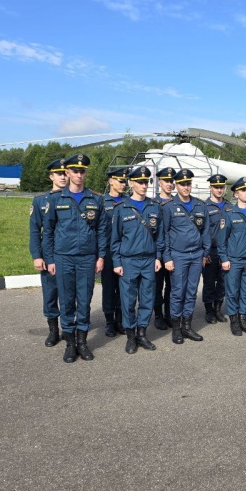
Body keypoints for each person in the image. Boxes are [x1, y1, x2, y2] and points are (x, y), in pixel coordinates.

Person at [43, 153, 107, 363]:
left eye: (82, 171)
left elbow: (101, 231)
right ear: (68, 173)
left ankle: (82, 342)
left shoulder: (95, 200)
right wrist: (50, 259)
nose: (79, 175)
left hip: (87, 258)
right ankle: (70, 344)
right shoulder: (55, 199)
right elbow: (49, 232)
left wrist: (101, 257)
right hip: (64, 258)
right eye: (75, 171)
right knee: (67, 301)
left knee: (84, 302)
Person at [111, 166, 162, 354]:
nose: (143, 185)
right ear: (131, 183)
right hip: (128, 261)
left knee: (147, 299)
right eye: (139, 182)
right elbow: (115, 239)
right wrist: (116, 262)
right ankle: (131, 336)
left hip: (149, 260)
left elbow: (160, 237)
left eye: (146, 182)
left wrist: (158, 257)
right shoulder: (121, 208)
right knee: (128, 300)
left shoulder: (154, 206)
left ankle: (142, 333)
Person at [161, 168, 211, 344]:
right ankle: (176, 329)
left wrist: (205, 253)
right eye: (182, 184)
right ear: (176, 185)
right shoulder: (168, 207)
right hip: (178, 255)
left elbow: (205, 231)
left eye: (188, 183)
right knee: (177, 292)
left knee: (191, 292)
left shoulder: (200, 206)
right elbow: (164, 233)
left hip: (197, 255)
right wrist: (167, 257)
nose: (186, 187)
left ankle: (187, 327)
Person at [29, 158, 68, 347]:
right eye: (59, 173)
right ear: (51, 176)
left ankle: (70, 328)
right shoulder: (40, 201)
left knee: (70, 294)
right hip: (48, 255)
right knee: (51, 293)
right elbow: (35, 230)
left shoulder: (74, 198)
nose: (63, 177)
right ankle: (54, 330)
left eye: (65, 173)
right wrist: (37, 256)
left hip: (69, 254)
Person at [218, 177, 246, 336]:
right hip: (234, 260)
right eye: (243, 190)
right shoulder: (230, 213)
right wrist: (224, 258)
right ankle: (234, 321)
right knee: (232, 291)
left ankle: (243, 319)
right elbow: (222, 239)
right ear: (236, 194)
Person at [101, 167, 127, 337]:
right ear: (111, 181)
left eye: (125, 181)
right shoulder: (102, 202)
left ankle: (121, 319)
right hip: (109, 252)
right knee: (109, 288)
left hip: (125, 251)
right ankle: (109, 321)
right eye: (120, 180)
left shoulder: (128, 202)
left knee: (124, 287)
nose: (123, 184)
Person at [202, 173, 230, 324]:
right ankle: (209, 311)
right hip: (211, 251)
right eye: (216, 187)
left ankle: (218, 309)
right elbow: (201, 231)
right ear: (210, 187)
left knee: (223, 282)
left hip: (225, 251)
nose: (219, 190)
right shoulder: (204, 207)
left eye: (221, 187)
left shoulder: (229, 207)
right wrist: (205, 252)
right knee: (209, 282)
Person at [153, 167, 176, 330]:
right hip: (157, 253)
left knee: (172, 286)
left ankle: (169, 314)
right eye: (166, 181)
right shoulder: (153, 204)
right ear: (159, 182)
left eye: (171, 181)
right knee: (157, 286)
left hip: (174, 252)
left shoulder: (177, 203)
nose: (169, 184)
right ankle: (158, 315)